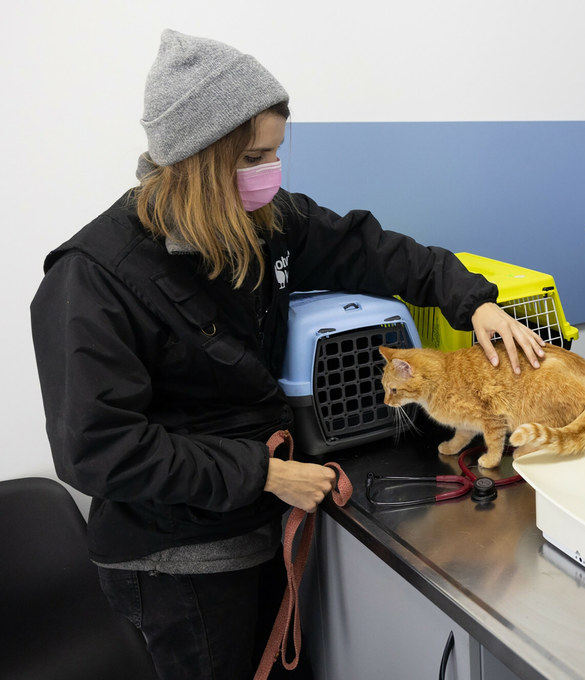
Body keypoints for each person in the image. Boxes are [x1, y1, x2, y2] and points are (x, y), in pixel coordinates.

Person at [30, 30, 544, 680]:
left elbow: (372, 248)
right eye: (252, 157)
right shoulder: (93, 279)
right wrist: (264, 474)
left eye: (274, 153)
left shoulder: (265, 222)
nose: (269, 175)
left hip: (261, 523)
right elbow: (100, 450)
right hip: (173, 562)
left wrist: (474, 303)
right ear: (197, 159)